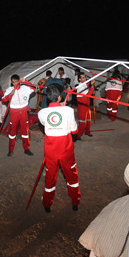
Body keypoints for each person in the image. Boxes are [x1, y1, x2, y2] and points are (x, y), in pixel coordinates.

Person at [38, 84, 80, 212]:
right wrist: (64, 109)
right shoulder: (69, 111)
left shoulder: (41, 113)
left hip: (50, 152)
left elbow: (47, 122)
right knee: (72, 177)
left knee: (50, 178)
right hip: (66, 151)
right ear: (60, 97)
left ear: (48, 97)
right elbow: (74, 131)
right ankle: (75, 202)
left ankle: (47, 204)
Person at [1, 74, 36, 156]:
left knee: (25, 131)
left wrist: (26, 81)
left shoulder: (25, 88)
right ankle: (10, 149)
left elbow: (34, 88)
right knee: (12, 131)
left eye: (16, 81)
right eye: (13, 82)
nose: (14, 84)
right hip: (14, 112)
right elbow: (3, 99)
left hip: (24, 112)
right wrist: (10, 95)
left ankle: (26, 148)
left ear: (19, 81)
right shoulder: (9, 89)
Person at [76, 72, 95, 140]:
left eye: (85, 77)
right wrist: (92, 86)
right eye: (83, 77)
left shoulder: (85, 84)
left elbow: (89, 93)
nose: (85, 78)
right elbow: (88, 95)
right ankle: (78, 135)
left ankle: (87, 132)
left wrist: (92, 85)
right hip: (82, 105)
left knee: (88, 120)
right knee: (83, 122)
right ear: (79, 79)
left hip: (86, 104)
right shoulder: (81, 86)